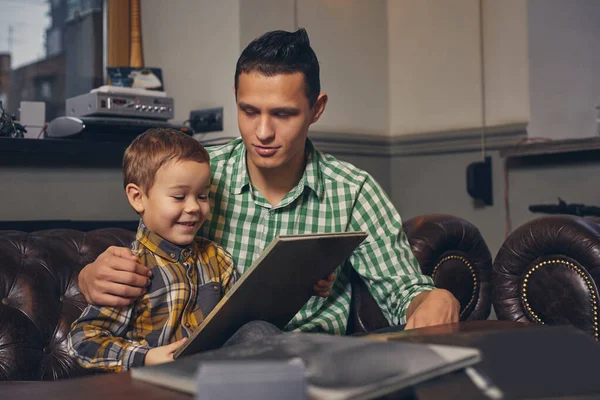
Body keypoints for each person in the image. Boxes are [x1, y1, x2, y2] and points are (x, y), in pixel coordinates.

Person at [76, 28, 459, 337]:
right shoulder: (198, 176)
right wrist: (90, 276)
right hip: (212, 361)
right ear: (236, 100)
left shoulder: (352, 190)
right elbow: (150, 260)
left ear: (316, 109)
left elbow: (403, 289)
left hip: (312, 364)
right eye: (249, 111)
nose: (262, 132)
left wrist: (431, 298)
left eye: (283, 114)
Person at [67, 128, 331, 372]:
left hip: (215, 370)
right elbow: (82, 341)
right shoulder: (129, 269)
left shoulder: (217, 259)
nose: (194, 207)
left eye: (202, 196)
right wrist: (145, 357)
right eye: (179, 197)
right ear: (138, 197)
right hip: (160, 378)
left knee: (258, 330)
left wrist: (299, 285)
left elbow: (243, 320)